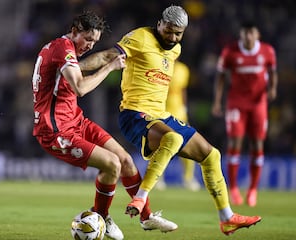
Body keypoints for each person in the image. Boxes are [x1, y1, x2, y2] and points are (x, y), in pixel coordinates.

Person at [79, 5, 261, 235]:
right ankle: (141, 199)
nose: (173, 37)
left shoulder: (175, 50)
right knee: (172, 139)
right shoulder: (140, 38)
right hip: (134, 114)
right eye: (169, 31)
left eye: (178, 33)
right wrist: (74, 67)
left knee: (211, 155)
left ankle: (227, 218)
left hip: (161, 114)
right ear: (160, 24)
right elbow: (106, 56)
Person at [31, 11, 177, 240]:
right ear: (75, 31)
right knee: (112, 164)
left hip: (75, 120)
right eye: (87, 39)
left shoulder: (64, 48)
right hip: (56, 130)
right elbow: (80, 88)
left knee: (126, 161)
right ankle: (102, 217)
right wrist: (109, 67)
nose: (89, 46)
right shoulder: (62, 48)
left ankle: (146, 217)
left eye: (95, 42)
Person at [211, 21, 278, 207]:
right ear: (241, 34)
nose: (248, 36)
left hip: (258, 105)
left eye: (251, 33)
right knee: (235, 143)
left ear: (257, 35)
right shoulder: (230, 51)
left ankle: (253, 190)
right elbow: (221, 77)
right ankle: (233, 188)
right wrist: (217, 101)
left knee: (257, 144)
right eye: (245, 33)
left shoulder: (267, 51)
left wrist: (272, 88)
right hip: (236, 104)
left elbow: (273, 72)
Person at [155, 60, 201, 191]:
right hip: (162, 111)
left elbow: (182, 90)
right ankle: (158, 178)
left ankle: (188, 178)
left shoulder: (183, 69)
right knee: (160, 146)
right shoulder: (158, 65)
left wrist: (184, 108)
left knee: (187, 145)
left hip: (179, 112)